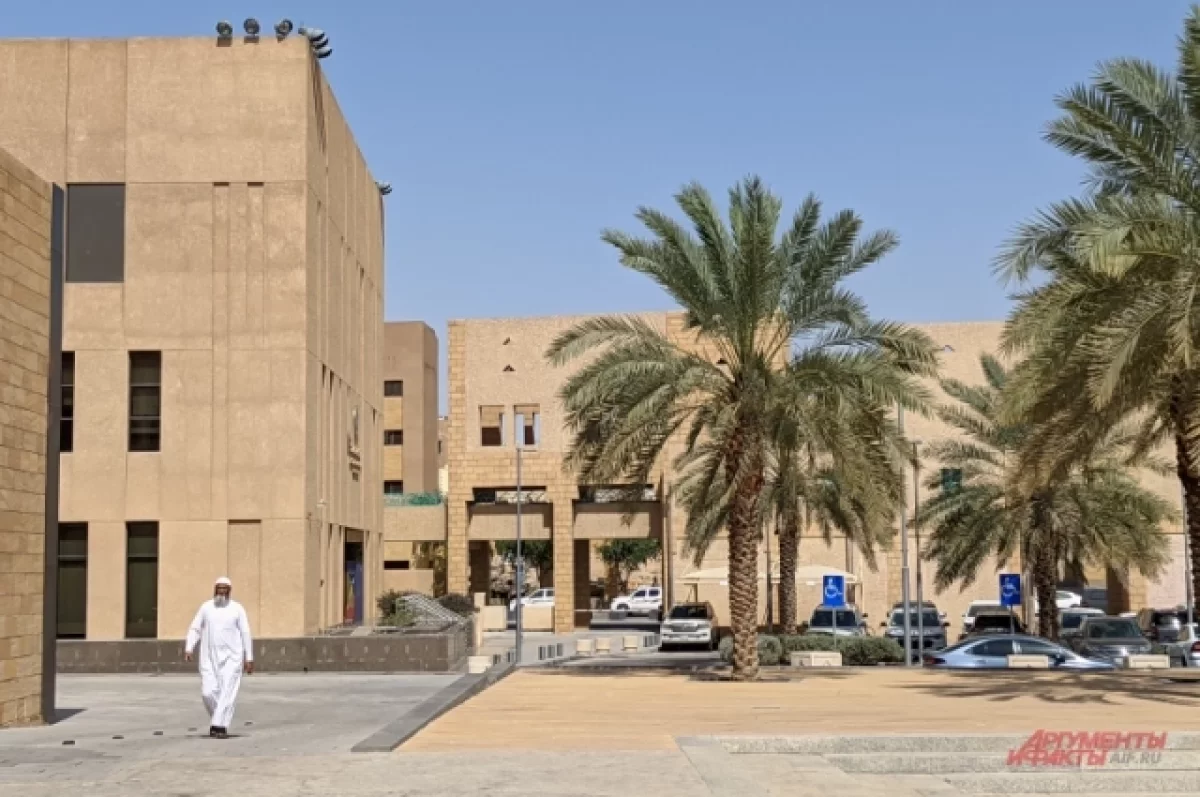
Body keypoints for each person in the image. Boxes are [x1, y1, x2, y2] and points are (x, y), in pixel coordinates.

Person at [184, 577, 254, 739]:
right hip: (209, 657)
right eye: (219, 588)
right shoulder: (206, 607)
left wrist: (249, 657)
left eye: (224, 588)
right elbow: (195, 628)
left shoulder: (237, 609)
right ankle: (218, 720)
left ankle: (219, 726)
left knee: (227, 692)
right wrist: (189, 647)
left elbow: (245, 632)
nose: (221, 591)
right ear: (215, 589)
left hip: (232, 657)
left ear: (229, 590)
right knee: (207, 692)